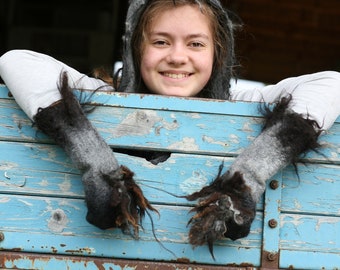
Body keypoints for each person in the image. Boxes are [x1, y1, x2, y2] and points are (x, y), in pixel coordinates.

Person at [0, 0, 340, 256]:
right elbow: (14, 60)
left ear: (217, 54)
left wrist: (246, 180)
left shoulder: (243, 103)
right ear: (136, 50)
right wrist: (96, 164)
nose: (178, 57)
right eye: (161, 42)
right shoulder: (107, 97)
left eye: (195, 44)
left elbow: (331, 83)